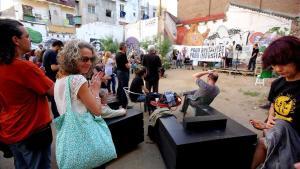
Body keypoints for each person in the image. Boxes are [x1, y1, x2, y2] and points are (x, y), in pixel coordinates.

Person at [0, 18, 54, 169]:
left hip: (11, 130)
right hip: (31, 131)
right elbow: (54, 91)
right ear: (15, 40)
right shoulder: (25, 68)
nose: (30, 40)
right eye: (27, 36)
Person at [251, 36, 300, 169]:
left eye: (283, 63)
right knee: (261, 143)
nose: (278, 69)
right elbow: (273, 103)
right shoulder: (277, 84)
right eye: (274, 64)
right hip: (277, 136)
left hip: (295, 142)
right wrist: (268, 123)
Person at [43, 40, 63, 119]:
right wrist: (64, 65)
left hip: (48, 77)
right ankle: (57, 116)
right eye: (60, 47)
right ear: (58, 46)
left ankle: (56, 116)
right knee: (56, 98)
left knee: (53, 98)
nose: (60, 49)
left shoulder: (46, 52)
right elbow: (53, 67)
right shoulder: (52, 53)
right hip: (52, 78)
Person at [115, 42, 130, 108]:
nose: (127, 48)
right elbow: (127, 66)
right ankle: (124, 104)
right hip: (124, 72)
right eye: (126, 47)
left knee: (120, 87)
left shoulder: (117, 54)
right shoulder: (123, 55)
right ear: (123, 47)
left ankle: (119, 102)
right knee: (124, 88)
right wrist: (130, 65)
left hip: (119, 72)